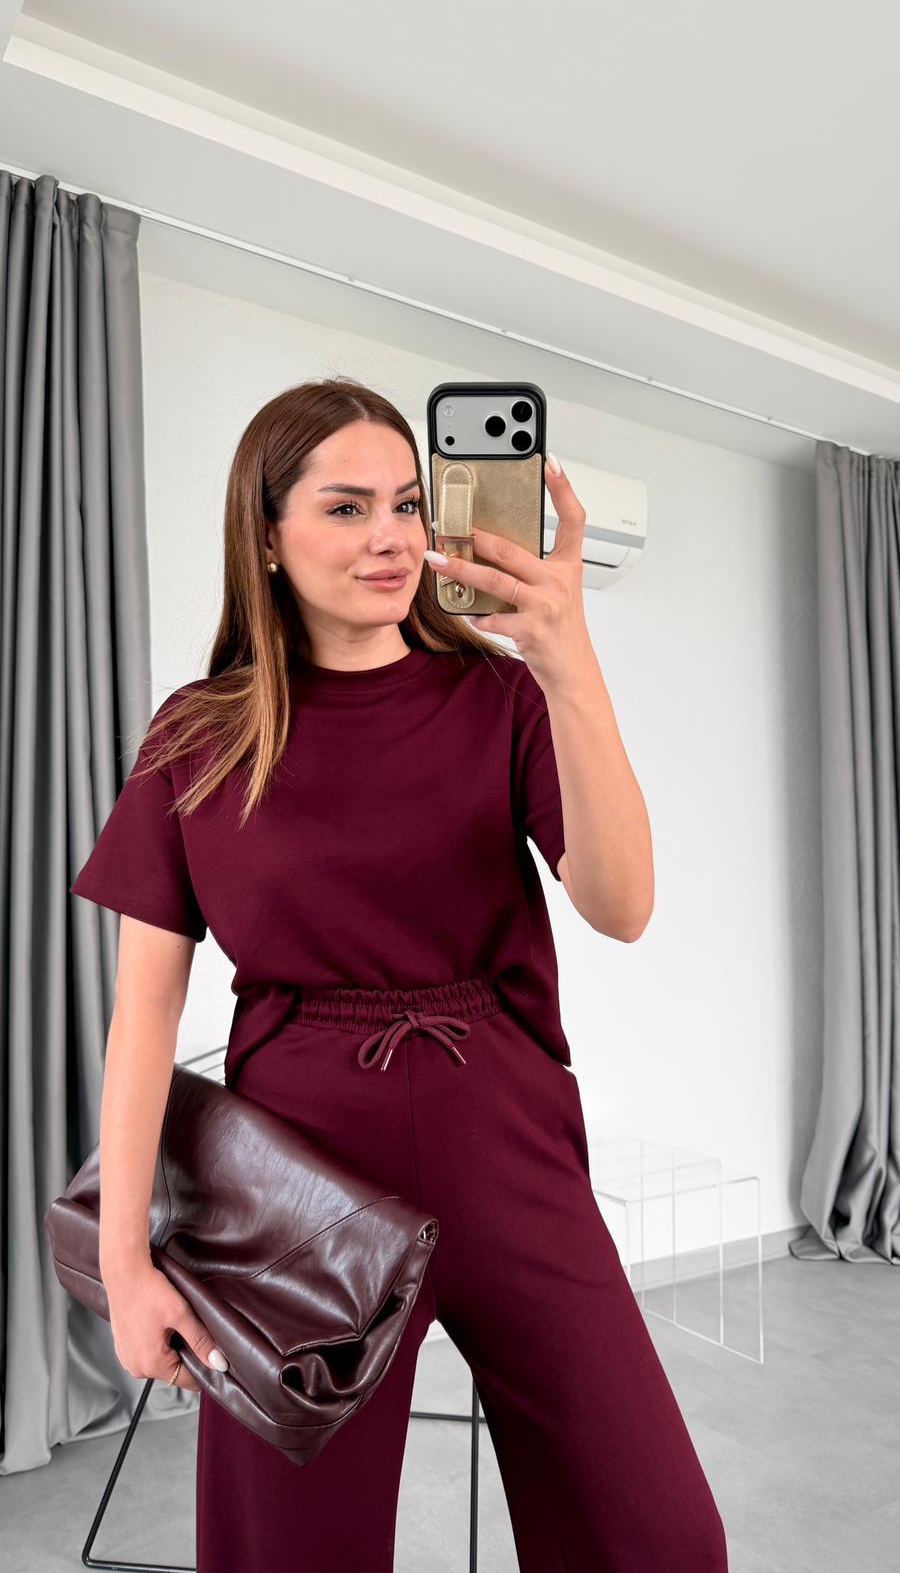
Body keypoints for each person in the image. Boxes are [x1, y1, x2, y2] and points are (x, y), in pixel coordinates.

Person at [70, 377, 729, 1571]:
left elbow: (622, 905)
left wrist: (568, 662)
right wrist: (125, 1265)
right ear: (266, 536)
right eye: (346, 506)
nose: (390, 535)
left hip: (511, 1147)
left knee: (658, 1535)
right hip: (299, 1190)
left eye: (408, 503)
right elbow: (144, 1014)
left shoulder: (502, 696)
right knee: (291, 1554)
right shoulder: (198, 734)